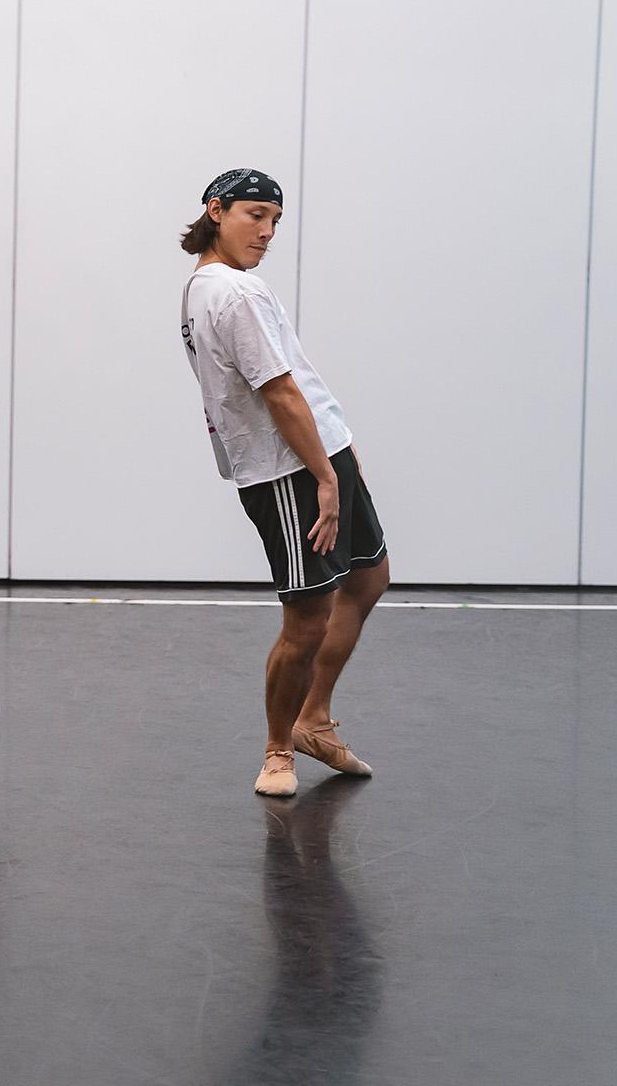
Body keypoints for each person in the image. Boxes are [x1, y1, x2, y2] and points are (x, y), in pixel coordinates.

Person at [178, 168, 390, 797]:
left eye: (275, 219)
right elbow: (278, 392)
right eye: (254, 215)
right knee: (307, 617)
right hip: (290, 471)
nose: (267, 231)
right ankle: (278, 750)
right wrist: (325, 477)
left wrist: (339, 459)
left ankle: (315, 719)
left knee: (368, 578)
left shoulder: (218, 285)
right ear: (215, 211)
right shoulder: (232, 293)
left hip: (322, 453)